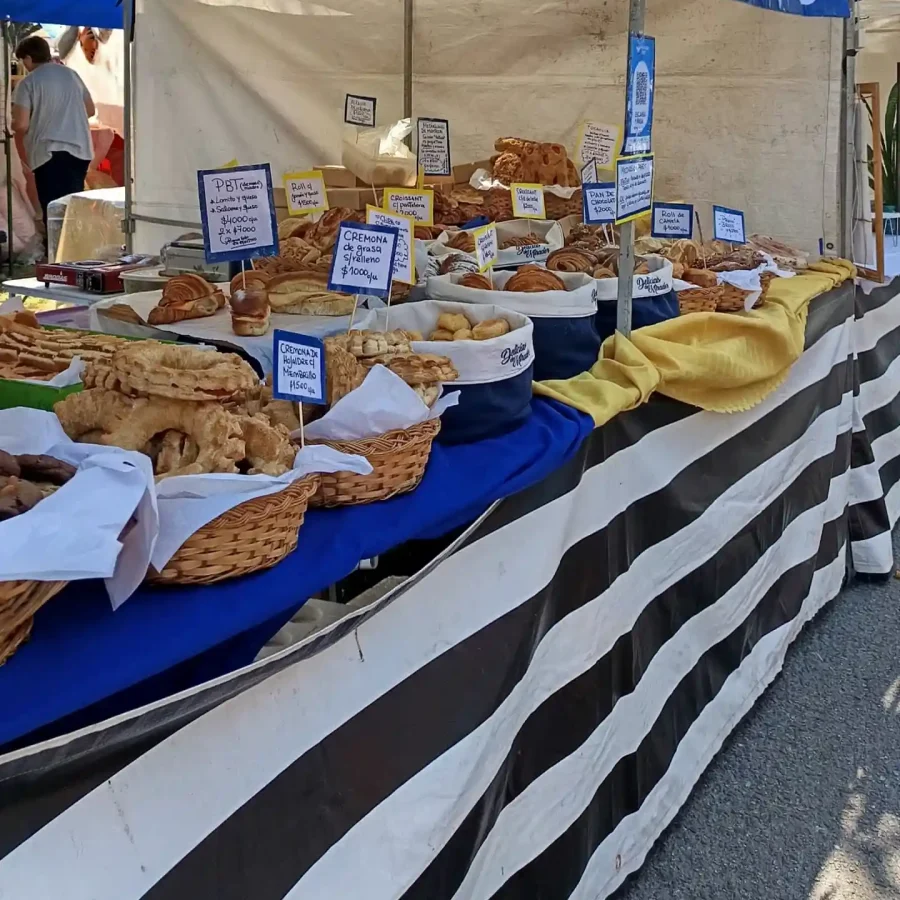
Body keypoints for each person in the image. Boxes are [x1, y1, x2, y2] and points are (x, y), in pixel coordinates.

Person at [11, 35, 95, 249]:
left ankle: (59, 255)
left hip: (49, 152)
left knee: (55, 209)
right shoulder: (71, 75)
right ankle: (77, 251)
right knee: (73, 205)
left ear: (29, 58)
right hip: (80, 150)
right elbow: (90, 110)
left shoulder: (28, 83)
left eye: (23, 60)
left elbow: (20, 124)